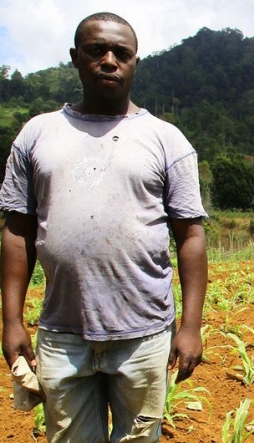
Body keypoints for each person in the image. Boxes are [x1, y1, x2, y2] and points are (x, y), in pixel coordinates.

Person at [0, 12, 208, 442]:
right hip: (62, 332)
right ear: (77, 58)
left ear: (135, 63)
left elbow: (190, 236)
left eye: (122, 53)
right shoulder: (38, 133)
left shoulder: (166, 139)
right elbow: (17, 231)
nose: (109, 60)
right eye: (97, 51)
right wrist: (12, 320)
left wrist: (190, 327)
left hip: (144, 333)